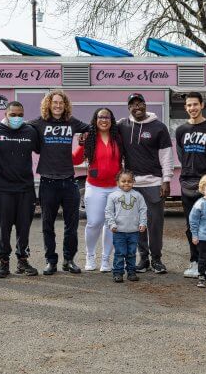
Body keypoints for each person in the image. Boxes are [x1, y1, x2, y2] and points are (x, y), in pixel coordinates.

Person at [29, 90, 90, 275]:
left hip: (69, 181)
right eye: (54, 102)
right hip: (48, 181)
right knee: (47, 224)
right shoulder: (39, 123)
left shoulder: (71, 122)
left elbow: (90, 128)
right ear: (48, 104)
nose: (57, 106)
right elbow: (19, 128)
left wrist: (84, 137)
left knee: (71, 225)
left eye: (61, 103)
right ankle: (51, 261)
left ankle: (69, 260)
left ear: (65, 106)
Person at [0, 101, 40, 278]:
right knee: (3, 229)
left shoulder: (30, 131)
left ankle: (23, 260)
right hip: (2, 189)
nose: (16, 118)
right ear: (6, 114)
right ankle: (3, 262)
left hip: (25, 189)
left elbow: (41, 148)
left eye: (20, 114)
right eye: (13, 114)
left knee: (24, 228)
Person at [118, 93, 173, 274]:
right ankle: (144, 259)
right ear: (128, 108)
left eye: (140, 103)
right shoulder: (123, 126)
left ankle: (157, 259)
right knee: (137, 224)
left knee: (155, 223)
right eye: (132, 104)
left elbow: (166, 155)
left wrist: (166, 180)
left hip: (154, 182)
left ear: (145, 104)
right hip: (132, 185)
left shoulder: (159, 127)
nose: (137, 107)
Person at [175, 92, 206, 278]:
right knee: (191, 226)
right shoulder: (180, 131)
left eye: (195, 104)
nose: (192, 108)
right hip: (187, 183)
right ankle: (194, 261)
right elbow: (181, 156)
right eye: (189, 105)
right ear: (185, 107)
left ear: (202, 105)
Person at [72, 108, 123, 272]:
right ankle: (90, 255)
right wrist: (77, 144)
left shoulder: (118, 138)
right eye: (100, 117)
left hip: (115, 187)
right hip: (95, 186)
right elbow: (76, 159)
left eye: (107, 117)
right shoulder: (89, 138)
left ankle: (106, 260)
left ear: (111, 120)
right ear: (95, 120)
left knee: (110, 224)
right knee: (94, 223)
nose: (104, 120)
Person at [105, 170, 147, 283]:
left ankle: (131, 272)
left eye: (129, 181)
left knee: (131, 253)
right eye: (123, 181)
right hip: (119, 231)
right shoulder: (113, 196)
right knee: (119, 253)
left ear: (133, 182)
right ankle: (118, 273)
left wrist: (143, 223)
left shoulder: (138, 196)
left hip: (133, 231)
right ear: (118, 182)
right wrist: (112, 224)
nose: (126, 183)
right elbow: (109, 211)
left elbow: (143, 210)